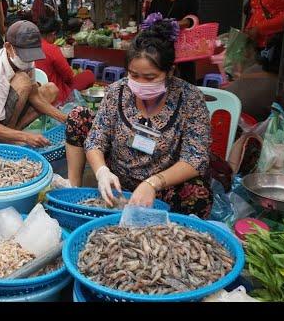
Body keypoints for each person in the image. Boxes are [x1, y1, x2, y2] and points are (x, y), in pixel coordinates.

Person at [64, 14, 213, 218]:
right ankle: (73, 190)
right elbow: (96, 139)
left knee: (198, 194)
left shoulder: (190, 99)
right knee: (77, 116)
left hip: (162, 182)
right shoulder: (116, 92)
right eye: (134, 75)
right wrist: (101, 171)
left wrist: (153, 183)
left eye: (150, 77)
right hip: (118, 176)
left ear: (170, 71)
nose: (140, 83)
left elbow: (195, 158)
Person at [0, 20, 68, 147]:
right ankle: (8, 138)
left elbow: (34, 96)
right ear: (8, 48)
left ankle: (13, 132)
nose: (29, 60)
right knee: (23, 80)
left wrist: (65, 118)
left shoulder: (27, 60)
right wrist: (26, 137)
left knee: (51, 90)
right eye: (25, 55)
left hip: (9, 113)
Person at [35, 17, 96, 105]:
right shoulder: (51, 49)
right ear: (53, 34)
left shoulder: (29, 46)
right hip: (56, 95)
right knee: (88, 74)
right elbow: (68, 76)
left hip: (36, 92)